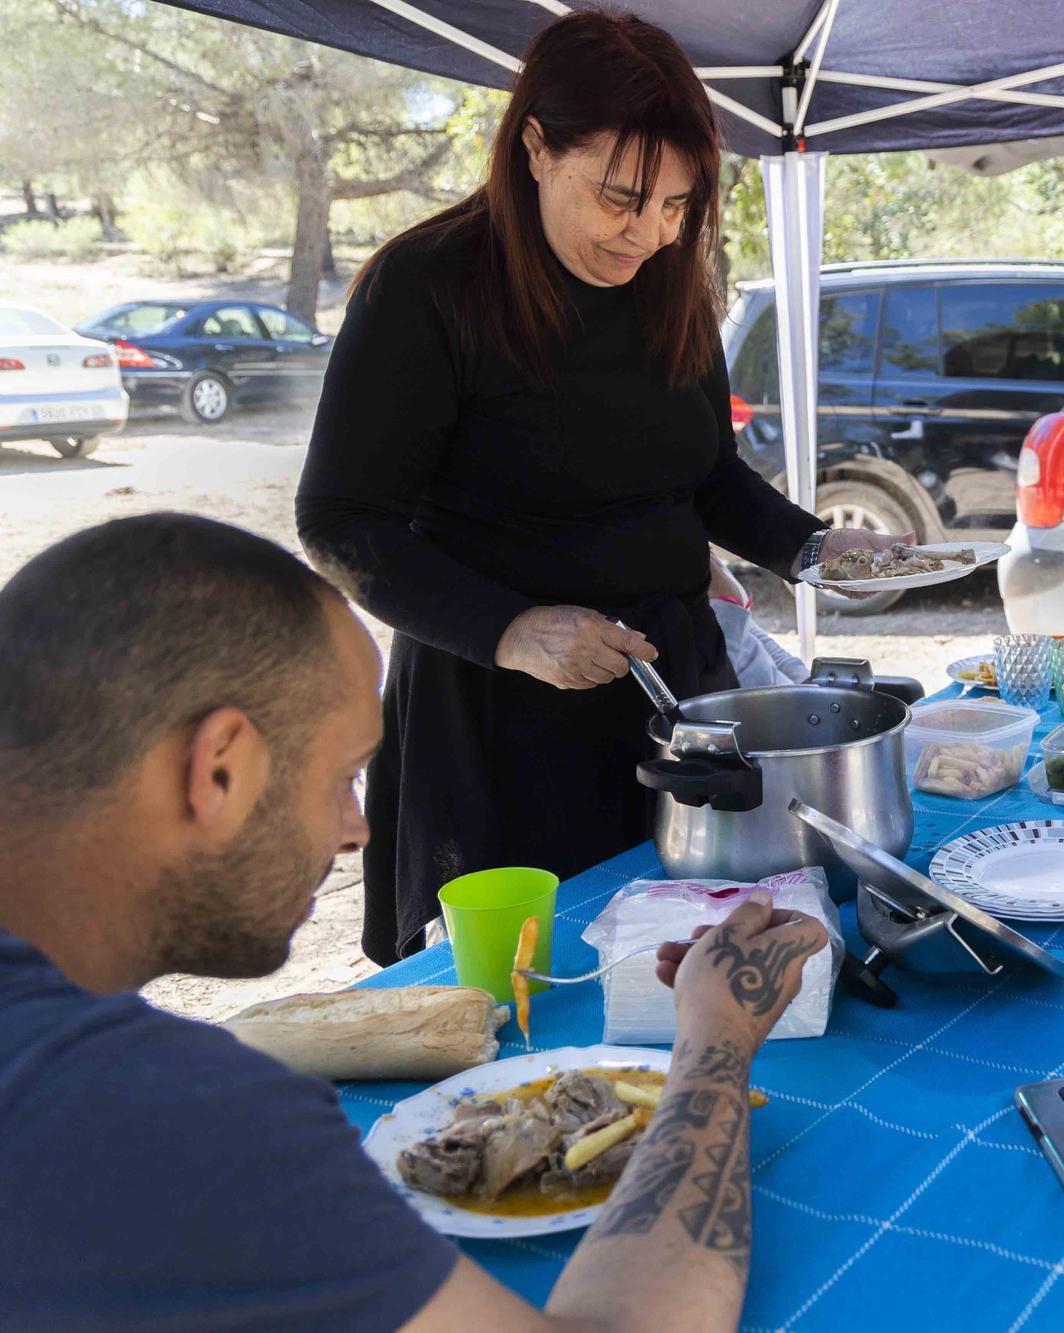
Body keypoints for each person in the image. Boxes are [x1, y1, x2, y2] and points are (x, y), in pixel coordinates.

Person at [0, 514, 828, 1332]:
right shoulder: (170, 1120)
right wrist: (717, 1039)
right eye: (345, 776)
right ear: (219, 768)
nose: (356, 829)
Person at [296, 11, 894, 964]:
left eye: (674, 206)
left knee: (693, 961)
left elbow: (701, 475)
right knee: (541, 994)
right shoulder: (426, 288)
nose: (649, 235)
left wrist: (813, 547)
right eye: (622, 198)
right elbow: (340, 521)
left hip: (672, 701)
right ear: (536, 147)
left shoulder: (668, 282)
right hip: (499, 717)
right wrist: (516, 630)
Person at [709, 554, 808, 689]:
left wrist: (804, 680)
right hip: (745, 703)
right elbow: (716, 677)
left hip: (780, 692)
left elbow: (751, 633)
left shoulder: (708, 554)